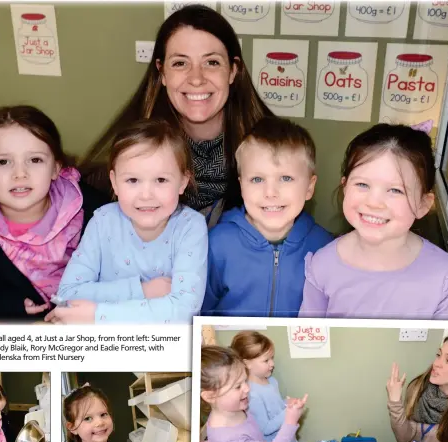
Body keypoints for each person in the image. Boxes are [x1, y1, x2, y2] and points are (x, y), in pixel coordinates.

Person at [80, 4, 273, 227]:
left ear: (232, 70)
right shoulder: (130, 152)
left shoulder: (272, 150)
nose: (196, 78)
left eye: (212, 62)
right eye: (180, 63)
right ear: (162, 72)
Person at [299, 123, 448, 320]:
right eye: (362, 184)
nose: (374, 202)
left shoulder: (446, 279)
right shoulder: (323, 265)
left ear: (424, 204)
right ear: (345, 187)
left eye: (396, 190)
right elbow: (308, 340)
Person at [47, 119, 207, 324]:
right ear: (114, 182)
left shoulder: (190, 226)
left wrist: (96, 315)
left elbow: (184, 311)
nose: (146, 195)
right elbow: (68, 295)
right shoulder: (103, 220)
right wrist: (143, 290)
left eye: (161, 180)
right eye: (132, 180)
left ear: (182, 182)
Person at [0, 105, 108, 322]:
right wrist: (9, 304)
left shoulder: (97, 211)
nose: (20, 174)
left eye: (35, 160)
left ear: (55, 168)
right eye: (2, 162)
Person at [201, 117, 333, 316]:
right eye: (257, 179)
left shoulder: (324, 248)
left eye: (286, 178)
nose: (270, 192)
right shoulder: (217, 243)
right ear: (241, 186)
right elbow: (199, 315)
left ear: (309, 187)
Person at [201, 345, 307, 442]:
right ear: (210, 396)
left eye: (245, 381)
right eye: (237, 386)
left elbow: (257, 436)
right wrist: (290, 420)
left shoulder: (237, 408)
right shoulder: (229, 440)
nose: (247, 388)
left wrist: (287, 405)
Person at [231, 331, 300, 442]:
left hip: (280, 438)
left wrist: (286, 403)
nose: (272, 364)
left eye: (272, 358)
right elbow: (265, 428)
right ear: (246, 363)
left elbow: (275, 407)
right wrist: (289, 412)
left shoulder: (271, 381)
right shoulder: (251, 394)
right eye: (266, 360)